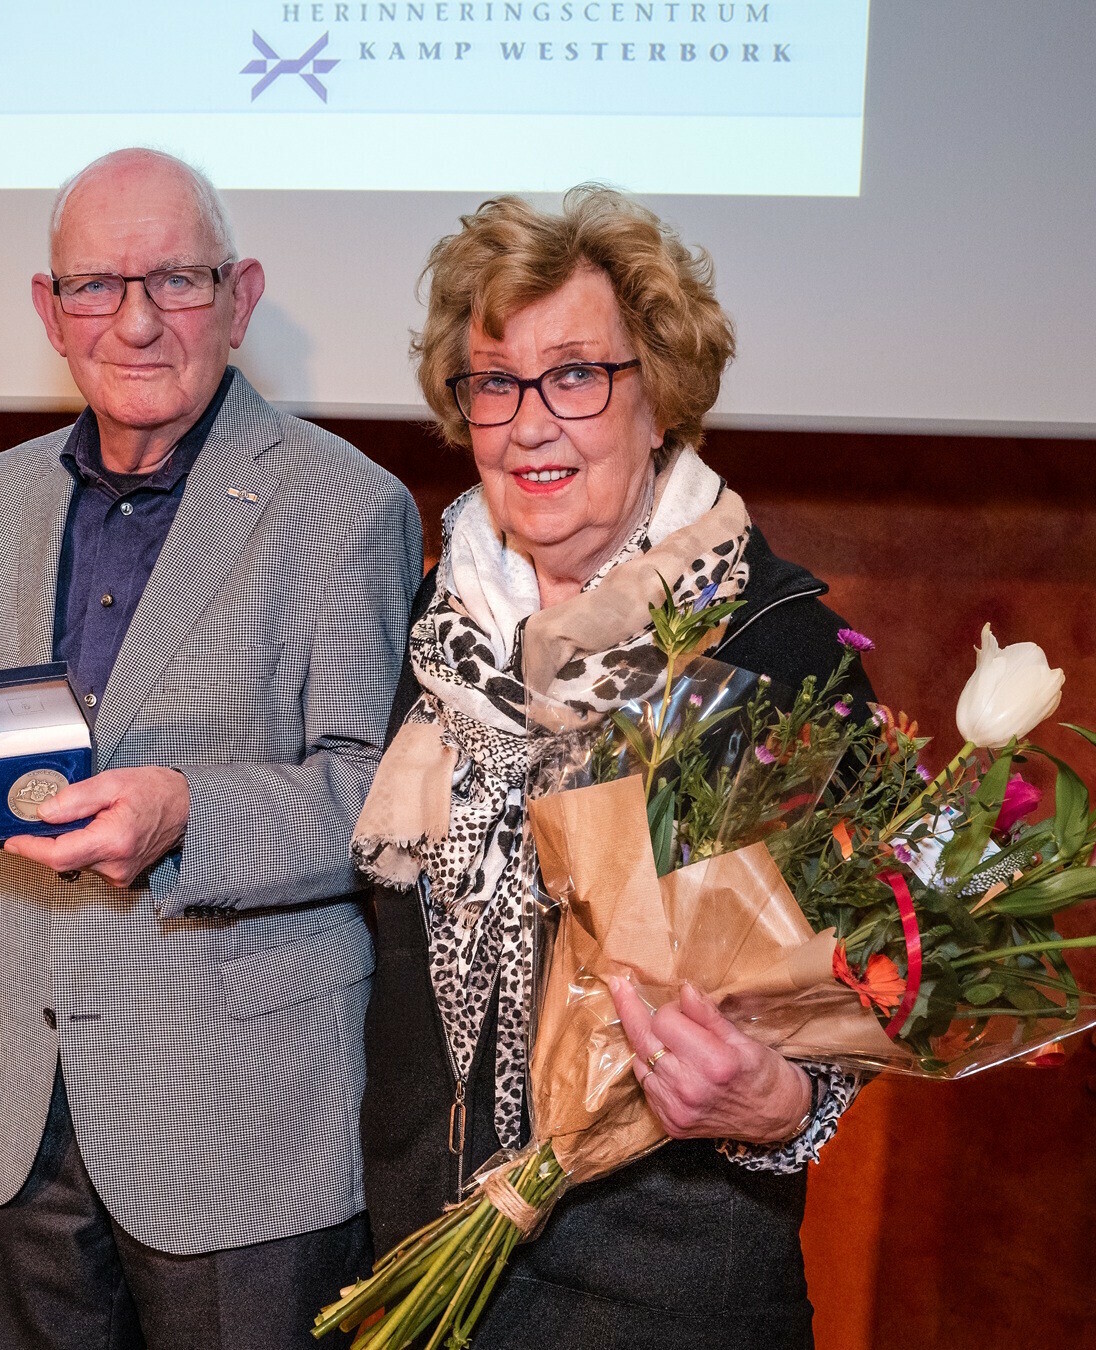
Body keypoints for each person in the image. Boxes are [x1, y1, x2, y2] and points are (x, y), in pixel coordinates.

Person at [0, 148, 422, 1350]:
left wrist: (189, 813)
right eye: (97, 286)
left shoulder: (344, 507)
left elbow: (373, 797)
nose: (135, 322)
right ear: (50, 309)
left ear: (239, 299)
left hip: (236, 1120)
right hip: (22, 1113)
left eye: (176, 282)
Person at [353, 186, 874, 1348]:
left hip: (672, 1288)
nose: (532, 423)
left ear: (661, 396)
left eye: (577, 375)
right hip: (423, 1272)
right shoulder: (422, 638)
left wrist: (780, 1103)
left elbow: (871, 967)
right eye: (495, 381)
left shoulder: (771, 643)